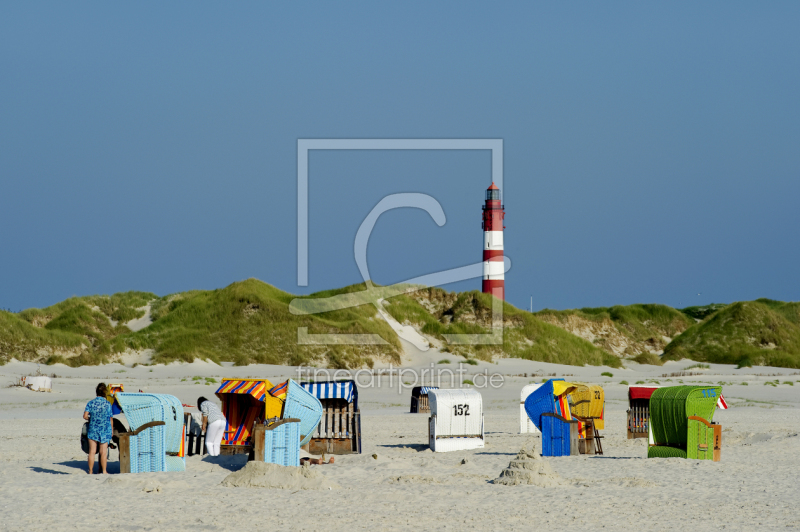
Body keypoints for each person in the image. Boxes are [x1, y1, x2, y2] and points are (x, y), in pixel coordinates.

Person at [84, 383, 113, 474]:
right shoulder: (107, 404)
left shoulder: (91, 403)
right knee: (103, 452)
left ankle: (90, 471)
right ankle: (104, 471)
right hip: (105, 429)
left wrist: (91, 418)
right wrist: (111, 430)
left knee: (92, 452)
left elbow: (85, 416)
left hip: (93, 429)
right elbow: (110, 418)